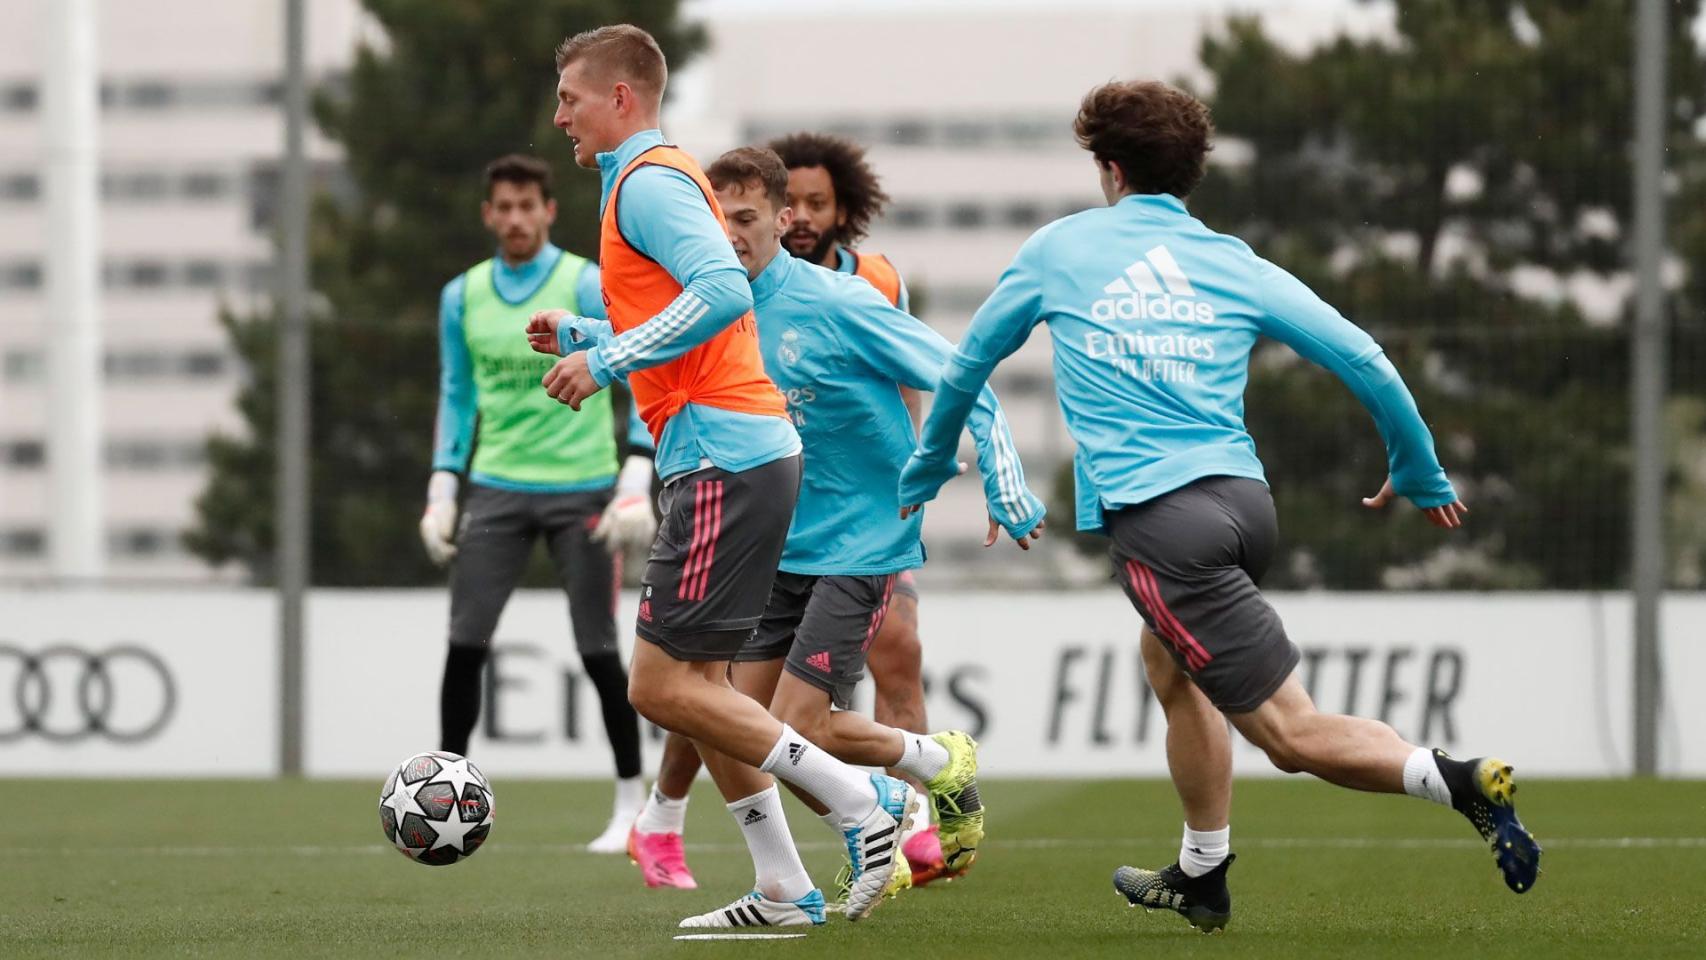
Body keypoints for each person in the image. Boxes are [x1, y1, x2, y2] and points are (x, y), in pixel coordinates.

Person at [896, 80, 1541, 934]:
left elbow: (966, 365)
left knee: (1290, 734)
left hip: (1163, 526)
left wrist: (928, 467)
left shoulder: (1059, 250)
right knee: (1170, 665)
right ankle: (1202, 873)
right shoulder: (1231, 259)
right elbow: (1366, 358)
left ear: (1110, 167)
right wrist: (1416, 467)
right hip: (1244, 506)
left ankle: (1455, 779)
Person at [526, 24, 912, 925]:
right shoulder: (653, 177)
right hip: (736, 450)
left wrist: (607, 361)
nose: (560, 116)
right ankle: (783, 885)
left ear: (621, 96)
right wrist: (588, 338)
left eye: (571, 98)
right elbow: (696, 313)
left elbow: (726, 293)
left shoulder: (650, 181)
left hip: (721, 458)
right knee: (707, 696)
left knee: (661, 690)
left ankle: (870, 806)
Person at [633, 145, 1045, 918]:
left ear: (784, 220)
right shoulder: (712, 305)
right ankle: (784, 887)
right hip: (776, 544)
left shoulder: (838, 301)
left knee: (796, 726)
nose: (728, 238)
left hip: (862, 538)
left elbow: (957, 373)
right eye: (714, 222)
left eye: (746, 220)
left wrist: (999, 465)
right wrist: (586, 341)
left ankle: (925, 768)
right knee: (720, 719)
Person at [420, 153, 655, 853]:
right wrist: (442, 486)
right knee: (465, 644)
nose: (516, 218)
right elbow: (457, 393)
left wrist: (636, 475)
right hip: (496, 486)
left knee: (597, 648)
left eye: (529, 205)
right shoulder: (461, 296)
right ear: (488, 214)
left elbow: (639, 364)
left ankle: (628, 806)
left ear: (549, 210)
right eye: (504, 207)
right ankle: (445, 801)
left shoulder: (582, 280)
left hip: (583, 486)